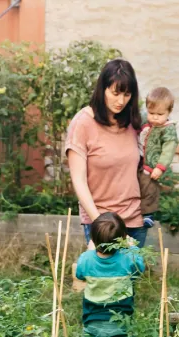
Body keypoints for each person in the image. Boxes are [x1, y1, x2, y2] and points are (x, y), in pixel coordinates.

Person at [65, 58, 148, 248]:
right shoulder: (83, 123)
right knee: (104, 278)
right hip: (101, 222)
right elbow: (79, 180)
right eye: (115, 93)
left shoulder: (132, 123)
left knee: (132, 278)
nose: (121, 101)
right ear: (103, 88)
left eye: (127, 95)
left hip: (134, 220)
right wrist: (100, 222)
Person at [75, 212, 145, 337]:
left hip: (92, 322)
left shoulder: (86, 259)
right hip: (121, 322)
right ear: (122, 238)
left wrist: (91, 250)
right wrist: (131, 247)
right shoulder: (128, 259)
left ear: (93, 238)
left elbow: (79, 274)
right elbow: (140, 268)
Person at [137, 87, 179, 228]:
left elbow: (168, 150)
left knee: (150, 189)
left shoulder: (168, 130)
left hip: (152, 166)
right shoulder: (146, 120)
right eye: (151, 113)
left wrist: (160, 167)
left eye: (160, 114)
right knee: (137, 186)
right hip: (139, 161)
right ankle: (136, 210)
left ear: (169, 112)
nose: (154, 117)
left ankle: (148, 214)